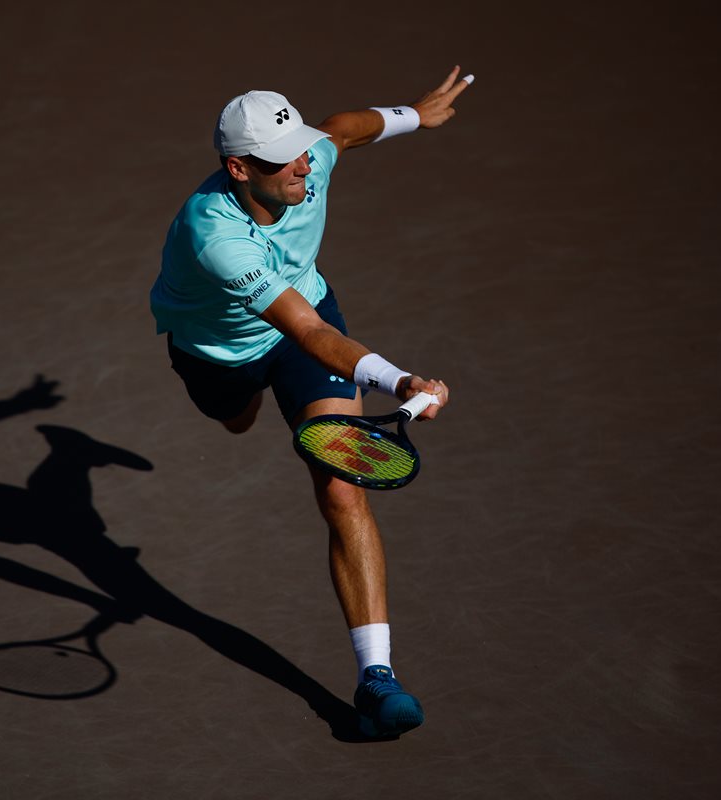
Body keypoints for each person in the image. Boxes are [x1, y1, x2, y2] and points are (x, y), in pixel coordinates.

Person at [149, 67, 472, 739]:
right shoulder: (216, 238)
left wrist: (414, 114)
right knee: (237, 421)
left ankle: (378, 678)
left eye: (298, 148)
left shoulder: (307, 158)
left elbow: (342, 131)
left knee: (343, 488)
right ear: (239, 169)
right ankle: (246, 403)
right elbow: (310, 333)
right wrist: (398, 381)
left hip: (307, 325)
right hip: (222, 356)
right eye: (281, 160)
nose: (301, 165)